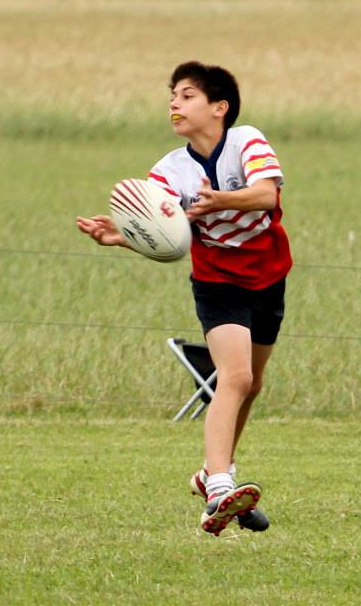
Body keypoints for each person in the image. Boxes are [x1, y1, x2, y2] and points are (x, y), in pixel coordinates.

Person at [77, 61, 289, 536]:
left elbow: (266, 196)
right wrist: (125, 236)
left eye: (187, 95)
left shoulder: (247, 140)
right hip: (216, 280)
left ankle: (211, 473)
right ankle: (218, 485)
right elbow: (168, 235)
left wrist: (220, 201)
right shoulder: (168, 171)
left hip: (269, 274)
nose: (175, 103)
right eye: (173, 95)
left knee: (251, 384)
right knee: (233, 377)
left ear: (220, 107)